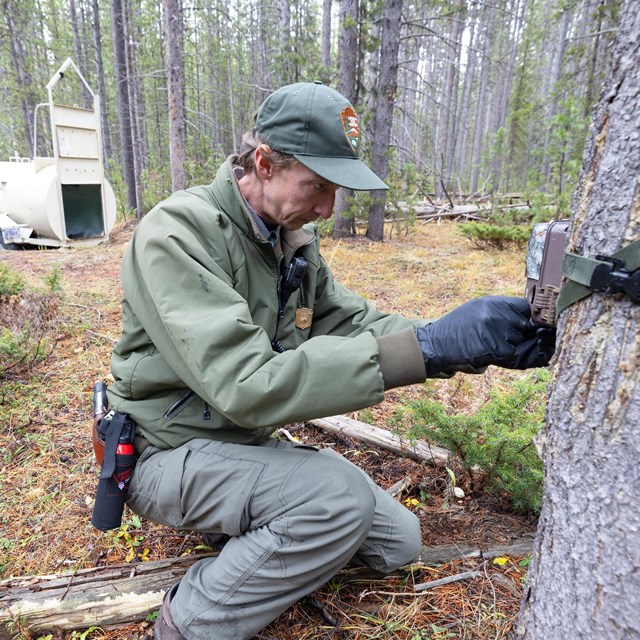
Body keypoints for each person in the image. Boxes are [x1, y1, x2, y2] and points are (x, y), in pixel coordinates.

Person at [106, 81, 554, 640]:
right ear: (264, 164)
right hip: (165, 451)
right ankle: (190, 621)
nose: (327, 207)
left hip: (239, 442)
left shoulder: (288, 237)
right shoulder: (178, 234)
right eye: (315, 186)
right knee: (337, 502)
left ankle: (256, 530)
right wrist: (429, 348)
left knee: (398, 540)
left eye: (334, 188)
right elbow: (247, 384)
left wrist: (459, 338)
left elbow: (351, 322)